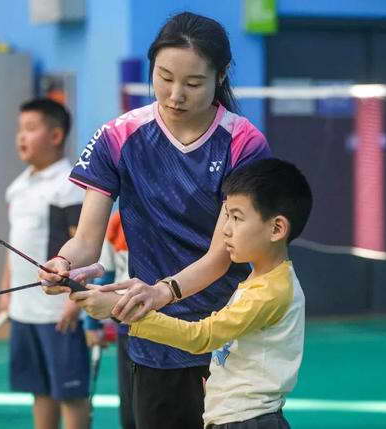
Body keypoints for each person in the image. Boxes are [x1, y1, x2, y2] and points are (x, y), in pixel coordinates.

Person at [38, 12, 271, 429]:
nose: (175, 94)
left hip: (230, 335)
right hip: (154, 337)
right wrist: (64, 262)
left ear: (220, 76)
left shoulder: (243, 143)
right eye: (164, 77)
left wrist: (160, 292)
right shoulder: (118, 136)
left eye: (193, 83)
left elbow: (221, 256)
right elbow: (87, 240)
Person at [90, 158, 312, 428]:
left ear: (276, 229)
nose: (226, 229)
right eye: (226, 216)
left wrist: (127, 313)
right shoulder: (261, 280)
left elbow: (201, 337)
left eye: (237, 218)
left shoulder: (271, 291)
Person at [0, 98, 89, 429]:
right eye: (20, 129)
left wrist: (75, 302)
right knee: (39, 391)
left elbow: (85, 246)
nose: (21, 136)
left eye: (31, 128)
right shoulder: (18, 187)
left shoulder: (71, 185)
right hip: (24, 311)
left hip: (57, 312)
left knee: (71, 394)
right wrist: (7, 293)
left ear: (55, 135)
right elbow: (14, 245)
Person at [84, 211, 135, 429]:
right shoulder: (116, 221)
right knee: (130, 408)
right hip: (127, 324)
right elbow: (106, 274)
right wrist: (92, 324)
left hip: (173, 324)